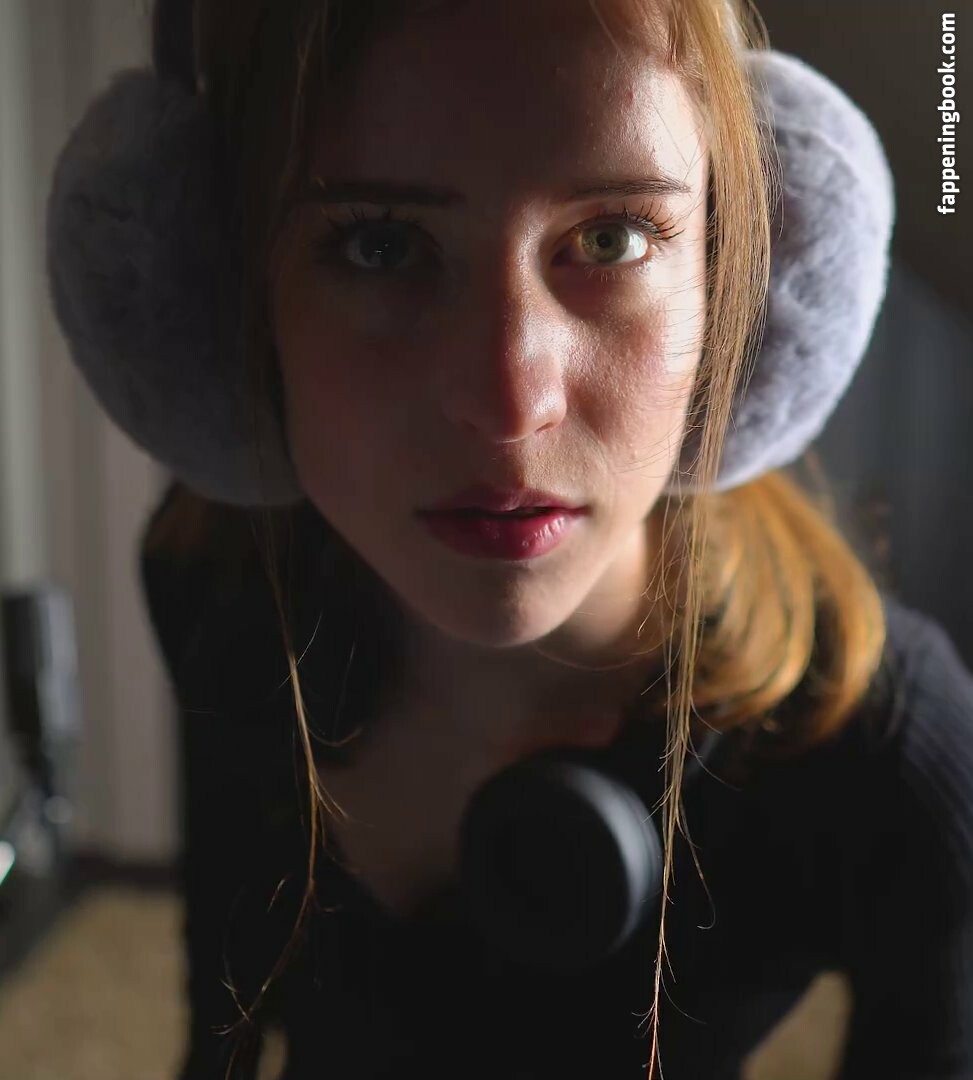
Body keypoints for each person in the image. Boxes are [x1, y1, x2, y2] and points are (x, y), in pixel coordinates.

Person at [45, 0, 973, 1077]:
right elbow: (222, 993)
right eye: (381, 244)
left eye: (612, 237)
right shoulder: (212, 579)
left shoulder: (893, 755)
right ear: (229, 293)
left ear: (734, 280)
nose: (507, 405)